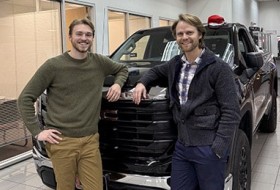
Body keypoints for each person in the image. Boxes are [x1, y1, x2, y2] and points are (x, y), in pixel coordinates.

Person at [132, 13, 240, 190]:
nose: (184, 37)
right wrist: (141, 83)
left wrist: (218, 148)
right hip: (182, 148)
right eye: (180, 34)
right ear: (175, 37)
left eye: (189, 32)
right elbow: (155, 72)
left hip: (208, 148)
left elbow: (231, 111)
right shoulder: (176, 64)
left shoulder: (219, 68)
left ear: (200, 34)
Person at [17, 18, 128, 190]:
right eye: (79, 34)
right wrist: (37, 133)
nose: (84, 38)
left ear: (92, 38)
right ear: (70, 36)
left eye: (88, 35)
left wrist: (117, 84)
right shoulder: (53, 66)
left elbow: (122, 69)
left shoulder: (99, 62)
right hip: (62, 142)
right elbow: (25, 98)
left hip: (90, 141)